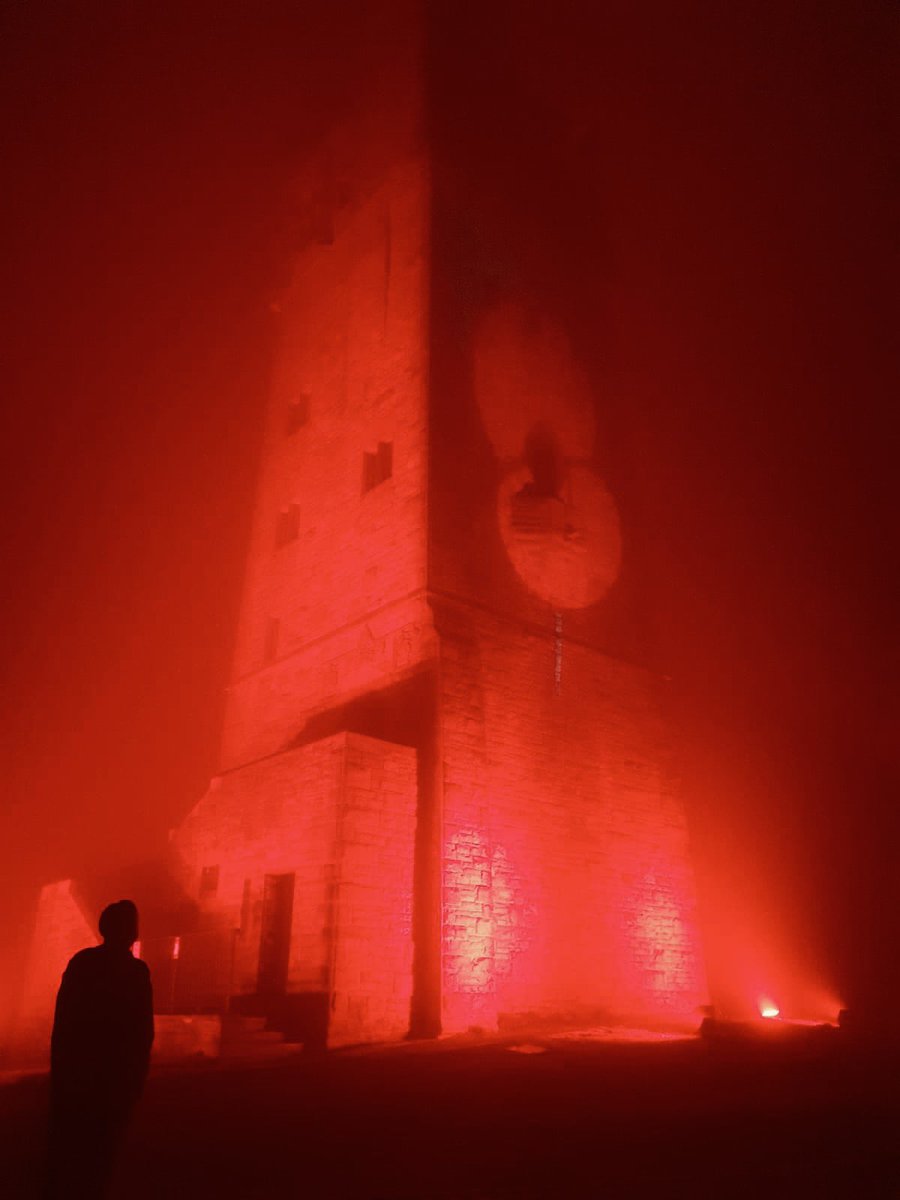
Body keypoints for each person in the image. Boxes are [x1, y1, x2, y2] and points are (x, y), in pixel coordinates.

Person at [45, 899, 154, 1197]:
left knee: (74, 1151)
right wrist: (136, 1075)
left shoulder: (83, 963)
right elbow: (142, 1030)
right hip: (112, 1078)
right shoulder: (136, 973)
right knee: (101, 1154)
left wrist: (61, 1068)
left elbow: (64, 1021)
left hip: (81, 1074)